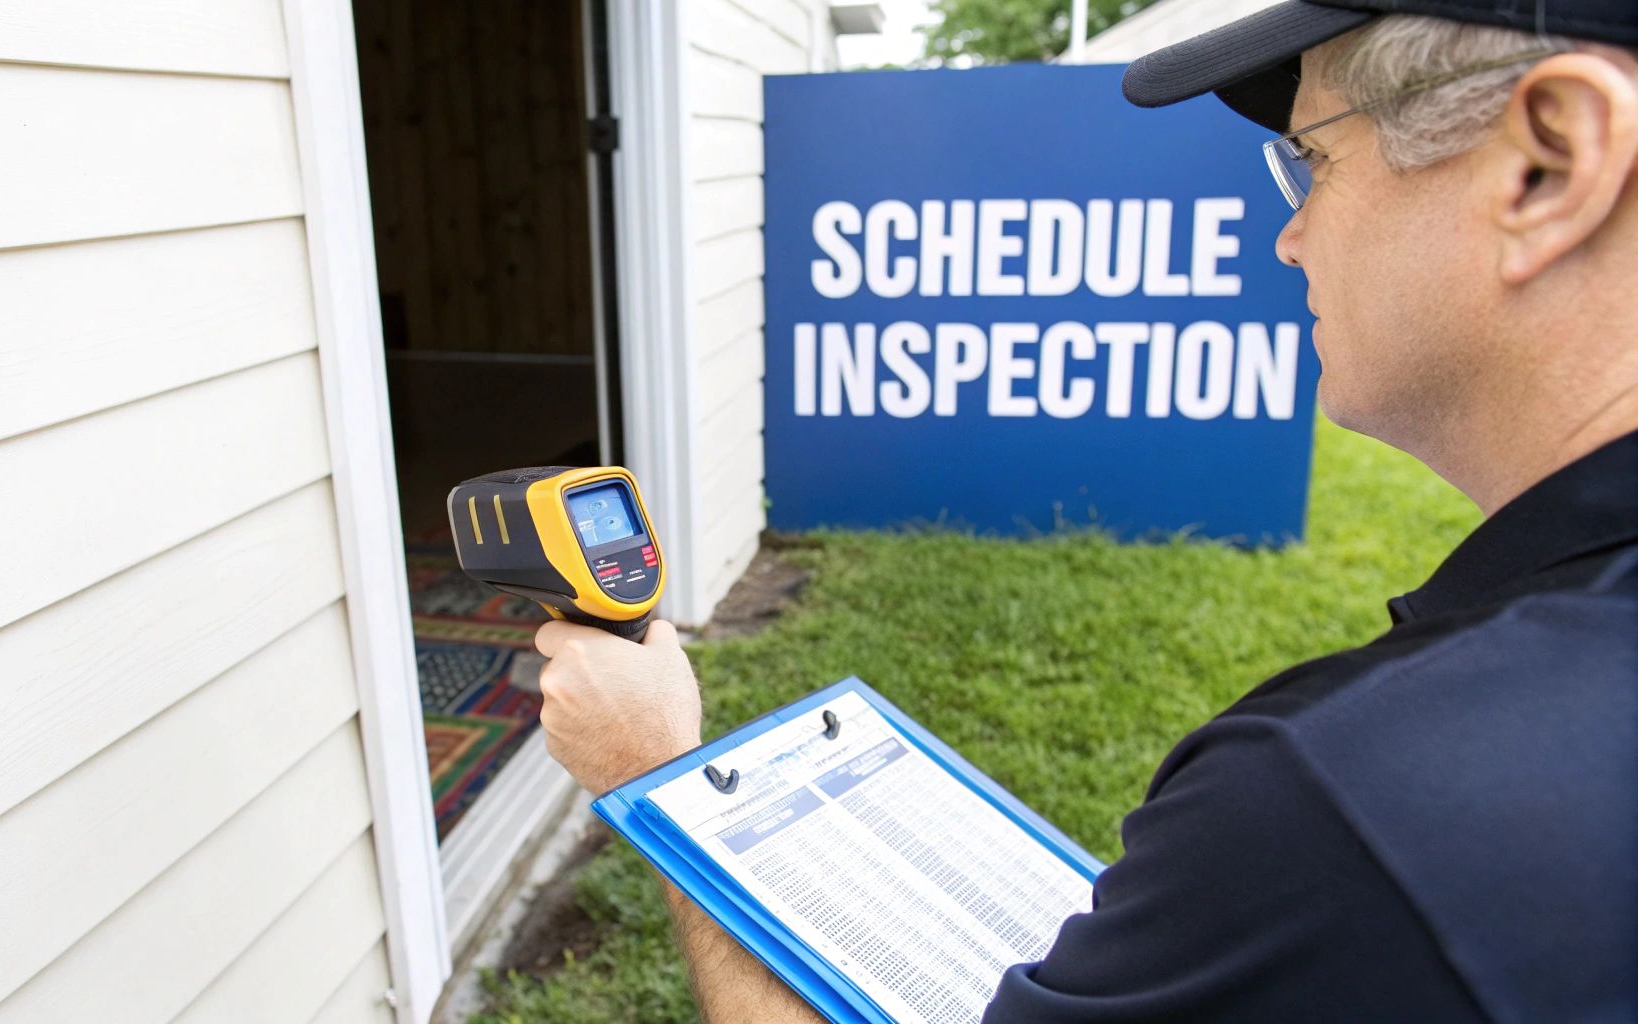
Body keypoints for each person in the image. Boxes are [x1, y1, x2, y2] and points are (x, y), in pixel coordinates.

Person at [531, 0, 1638, 1018]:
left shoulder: (1340, 810)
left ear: (1550, 162)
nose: (1285, 235)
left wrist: (656, 775)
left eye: (1311, 161)